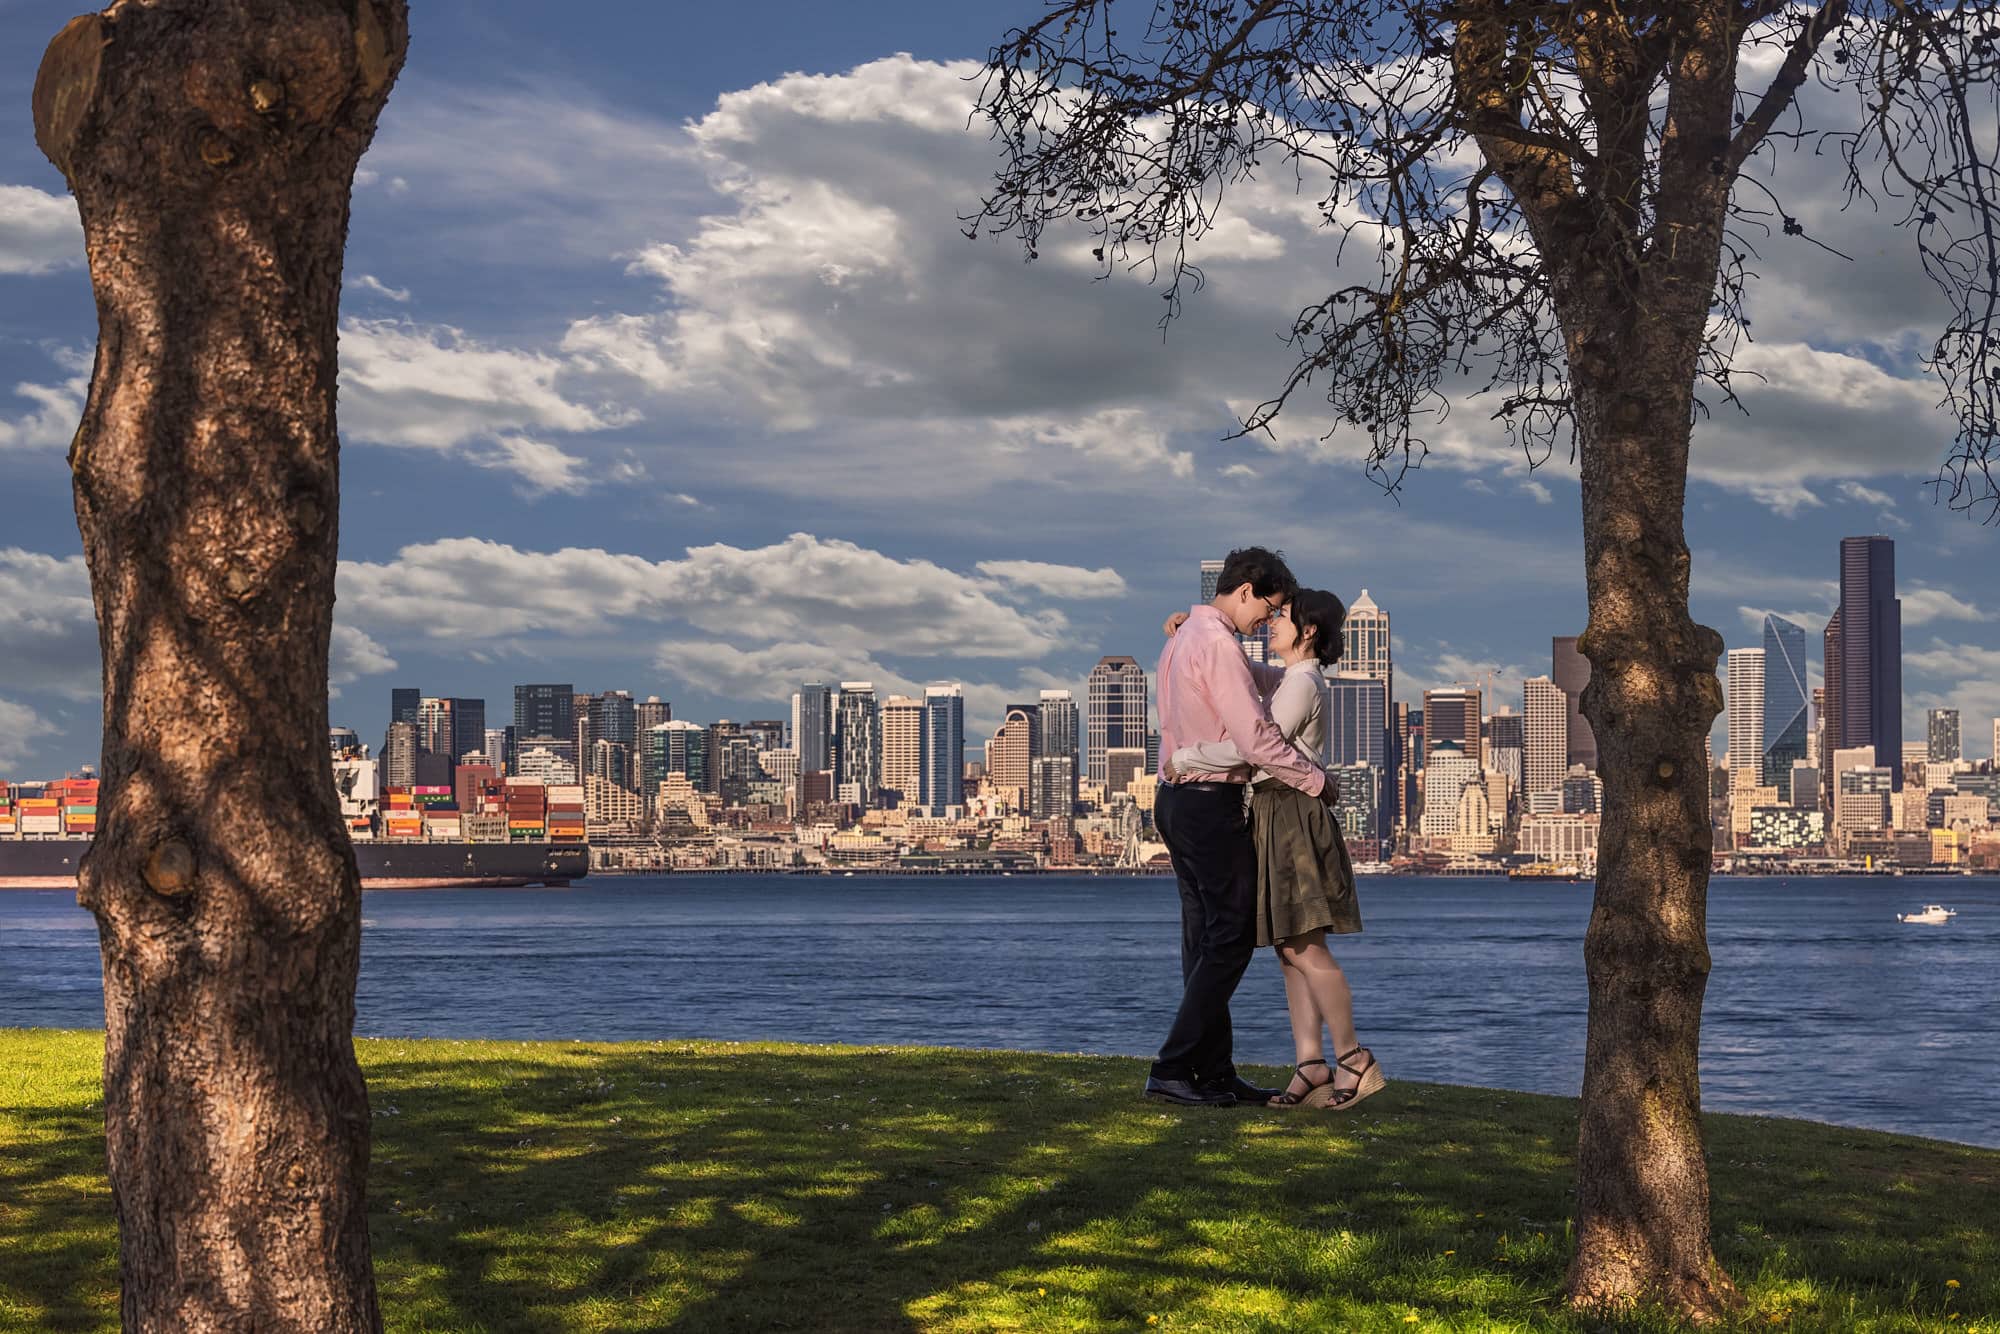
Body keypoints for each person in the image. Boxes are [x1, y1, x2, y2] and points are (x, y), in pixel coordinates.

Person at [1166, 588, 1384, 1110]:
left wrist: (1188, 755)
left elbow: (1255, 744)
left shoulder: (1302, 683)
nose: (1271, 622)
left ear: (1309, 631)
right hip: (1271, 809)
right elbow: (1236, 673)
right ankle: (1310, 1065)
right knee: (1289, 949)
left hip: (1288, 812)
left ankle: (1354, 1058)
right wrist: (1187, 635)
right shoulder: (1291, 679)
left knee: (1306, 948)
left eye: (1282, 616)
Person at [1147, 548, 1339, 1108]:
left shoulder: (1184, 638)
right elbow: (1256, 741)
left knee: (1204, 939)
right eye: (1271, 607)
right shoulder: (1215, 642)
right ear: (1249, 590)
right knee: (1230, 936)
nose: (1267, 621)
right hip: (1210, 803)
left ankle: (1211, 1071)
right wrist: (1315, 780)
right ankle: (1174, 1067)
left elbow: (1263, 678)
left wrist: (1306, 669)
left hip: (1176, 802)